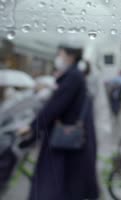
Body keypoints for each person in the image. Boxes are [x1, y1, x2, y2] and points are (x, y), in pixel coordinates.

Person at [23, 43, 99, 200]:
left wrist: (31, 127)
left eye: (60, 54)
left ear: (70, 56)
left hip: (64, 140)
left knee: (57, 185)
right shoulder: (74, 75)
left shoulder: (72, 76)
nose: (58, 57)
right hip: (70, 139)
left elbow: (54, 107)